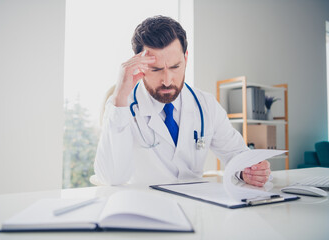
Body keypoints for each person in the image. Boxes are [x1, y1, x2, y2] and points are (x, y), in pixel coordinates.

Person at [94, 15, 271, 186]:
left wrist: (249, 171)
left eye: (175, 66)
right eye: (155, 69)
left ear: (185, 59)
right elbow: (111, 178)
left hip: (194, 209)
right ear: (138, 65)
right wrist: (119, 97)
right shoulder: (123, 107)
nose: (167, 80)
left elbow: (236, 154)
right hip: (145, 208)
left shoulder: (205, 105)